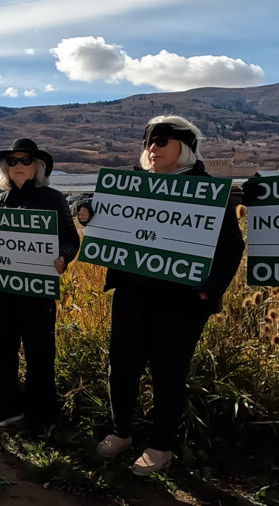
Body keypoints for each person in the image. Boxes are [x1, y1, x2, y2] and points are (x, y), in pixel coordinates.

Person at [78, 116, 244, 475]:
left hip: (181, 302)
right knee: (121, 366)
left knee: (168, 371)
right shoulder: (135, 185)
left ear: (183, 146)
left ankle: (161, 445)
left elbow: (232, 247)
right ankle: (121, 431)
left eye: (161, 142)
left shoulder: (206, 189)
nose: (152, 149)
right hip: (132, 294)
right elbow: (97, 201)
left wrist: (208, 291)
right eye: (148, 142)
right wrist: (86, 206)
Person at [0, 138, 80, 438]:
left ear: (37, 166)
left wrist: (63, 257)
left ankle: (43, 415)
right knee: (1, 351)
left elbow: (70, 237)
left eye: (25, 161)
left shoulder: (52, 198)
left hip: (37, 293)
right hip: (2, 293)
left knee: (39, 354)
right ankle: (8, 406)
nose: (18, 166)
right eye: (12, 162)